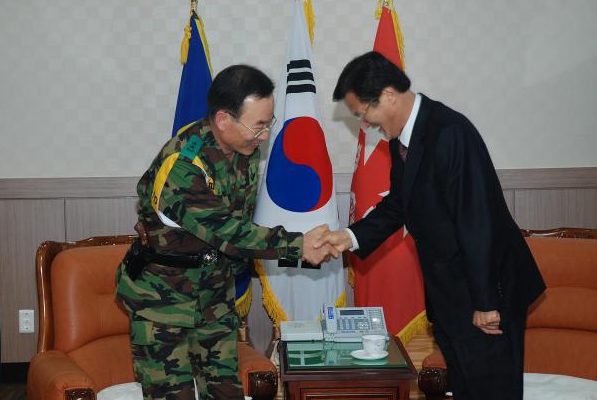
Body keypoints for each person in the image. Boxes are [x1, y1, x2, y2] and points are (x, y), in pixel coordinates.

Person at [317, 51, 545, 400]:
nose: (366, 124)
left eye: (363, 114)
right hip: (452, 294)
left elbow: (477, 219)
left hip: (486, 296)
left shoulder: (450, 132)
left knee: (492, 391)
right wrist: (349, 237)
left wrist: (486, 303)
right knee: (466, 390)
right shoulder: (403, 139)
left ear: (388, 96)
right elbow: (399, 204)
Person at [116, 64, 336, 400]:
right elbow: (229, 231)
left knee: (226, 393)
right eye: (258, 125)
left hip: (214, 297)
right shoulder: (183, 167)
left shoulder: (242, 149)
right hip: (164, 304)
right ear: (223, 119)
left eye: (269, 123)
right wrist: (298, 245)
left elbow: (240, 220)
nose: (265, 136)